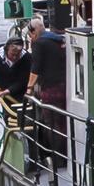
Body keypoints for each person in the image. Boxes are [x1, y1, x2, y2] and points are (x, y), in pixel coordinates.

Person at [26, 18, 69, 174]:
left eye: (30, 35)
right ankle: (67, 155)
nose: (31, 38)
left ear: (34, 31)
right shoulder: (59, 40)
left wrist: (29, 88)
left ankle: (58, 159)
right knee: (64, 122)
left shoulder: (39, 44)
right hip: (67, 88)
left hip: (50, 89)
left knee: (51, 124)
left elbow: (35, 68)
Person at [0, 37, 30, 102]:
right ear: (6, 49)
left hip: (20, 91)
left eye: (17, 55)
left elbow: (24, 80)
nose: (15, 57)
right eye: (12, 54)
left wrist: (8, 91)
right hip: (1, 88)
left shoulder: (26, 57)